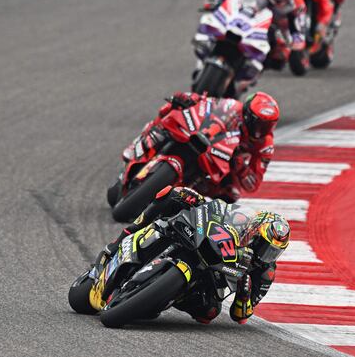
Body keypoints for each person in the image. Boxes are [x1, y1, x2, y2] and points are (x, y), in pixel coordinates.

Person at [100, 186, 291, 324]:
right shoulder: (241, 219)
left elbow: (241, 317)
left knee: (209, 312)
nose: (267, 254)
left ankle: (162, 297)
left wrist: (244, 296)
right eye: (264, 245)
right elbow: (218, 208)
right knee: (172, 194)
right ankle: (123, 239)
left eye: (274, 251)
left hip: (212, 278)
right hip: (201, 243)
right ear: (254, 232)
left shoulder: (266, 272)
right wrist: (197, 199)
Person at [122, 91, 279, 202]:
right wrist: (191, 98)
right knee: (169, 109)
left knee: (232, 194)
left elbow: (253, 184)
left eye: (267, 126)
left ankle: (184, 201)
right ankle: (139, 144)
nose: (260, 130)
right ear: (246, 113)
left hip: (225, 164)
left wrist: (240, 167)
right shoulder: (232, 107)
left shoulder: (265, 146)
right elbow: (207, 103)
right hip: (206, 140)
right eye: (257, 123)